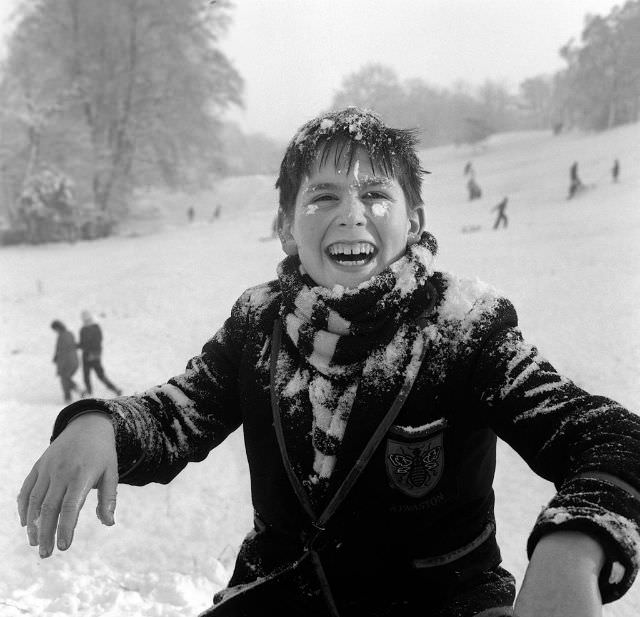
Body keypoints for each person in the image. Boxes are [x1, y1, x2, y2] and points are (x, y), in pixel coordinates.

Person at [18, 108, 640, 617]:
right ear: (286, 228)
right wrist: (98, 423)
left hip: (442, 607)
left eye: (376, 193)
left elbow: (611, 438)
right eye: (323, 197)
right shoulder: (256, 322)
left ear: (414, 221)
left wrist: (574, 541)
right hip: (277, 599)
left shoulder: (467, 328)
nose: (351, 212)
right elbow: (178, 412)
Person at [77, 310, 121, 397]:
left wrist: (77, 346)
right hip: (93, 355)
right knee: (95, 375)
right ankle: (113, 389)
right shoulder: (93, 329)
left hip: (90, 356)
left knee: (90, 375)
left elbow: (88, 343)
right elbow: (91, 342)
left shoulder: (89, 329)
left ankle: (90, 393)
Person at [50, 320, 79, 403]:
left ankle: (68, 397)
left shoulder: (61, 336)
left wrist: (58, 361)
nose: (55, 331)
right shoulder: (70, 334)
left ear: (57, 328)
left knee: (64, 379)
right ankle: (78, 391)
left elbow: (62, 351)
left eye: (54, 329)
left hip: (67, 361)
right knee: (66, 378)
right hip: (74, 360)